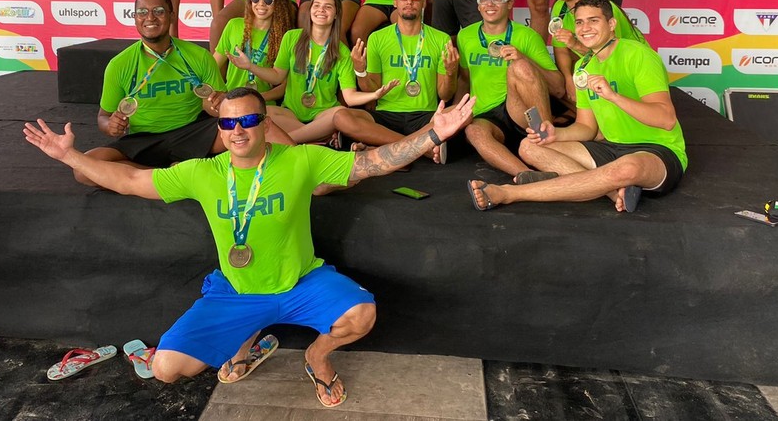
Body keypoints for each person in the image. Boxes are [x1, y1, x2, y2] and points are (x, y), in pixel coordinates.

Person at [25, 86, 477, 407]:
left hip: (301, 282)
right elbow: (128, 179)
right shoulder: (201, 171)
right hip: (236, 292)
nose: (237, 129)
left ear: (264, 123)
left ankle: (316, 359)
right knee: (165, 369)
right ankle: (250, 339)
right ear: (219, 128)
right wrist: (69, 156)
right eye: (228, 122)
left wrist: (432, 136)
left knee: (362, 315)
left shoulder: (300, 159)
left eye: (247, 120)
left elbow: (372, 164)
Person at [468, 0, 686, 214]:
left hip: (657, 150)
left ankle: (509, 194)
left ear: (611, 24)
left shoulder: (639, 55)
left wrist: (614, 96)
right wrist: (556, 134)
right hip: (611, 147)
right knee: (529, 147)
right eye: (580, 22)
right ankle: (612, 191)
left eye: (594, 21)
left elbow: (666, 120)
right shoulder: (584, 65)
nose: (585, 28)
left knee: (627, 167)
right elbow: (587, 128)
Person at [87, 0, 278, 177]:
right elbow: (103, 117)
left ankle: (303, 165)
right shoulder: (119, 64)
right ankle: (174, 174)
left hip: (193, 132)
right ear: (135, 18)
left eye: (159, 11)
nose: (150, 17)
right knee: (86, 167)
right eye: (142, 12)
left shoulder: (199, 56)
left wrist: (219, 104)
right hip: (143, 139)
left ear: (171, 16)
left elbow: (219, 109)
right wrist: (110, 125)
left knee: (256, 125)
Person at [243, 0, 396, 144]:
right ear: (310, 10)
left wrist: (375, 95)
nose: (321, 10)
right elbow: (277, 76)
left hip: (323, 116)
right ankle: (317, 138)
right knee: (263, 113)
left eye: (328, 6)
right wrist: (250, 66)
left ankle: (295, 139)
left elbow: (349, 98)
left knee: (340, 113)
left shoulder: (342, 52)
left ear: (336, 13)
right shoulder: (291, 37)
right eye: (316, 5)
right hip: (291, 114)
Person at [335, 0, 458, 161]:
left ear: (423, 2)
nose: (409, 1)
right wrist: (360, 71)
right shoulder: (377, 38)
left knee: (462, 112)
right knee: (340, 117)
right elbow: (371, 89)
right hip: (386, 117)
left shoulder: (441, 39)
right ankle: (419, 149)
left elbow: (445, 95)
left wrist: (450, 72)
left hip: (425, 117)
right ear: (395, 2)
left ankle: (380, 148)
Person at [457, 0, 564, 181]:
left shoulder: (526, 36)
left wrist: (523, 57)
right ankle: (528, 175)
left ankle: (549, 142)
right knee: (473, 132)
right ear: (478, 5)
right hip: (487, 116)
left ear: (510, 3)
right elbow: (464, 81)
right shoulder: (465, 36)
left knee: (521, 66)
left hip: (520, 111)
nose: (490, 4)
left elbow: (558, 88)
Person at [550, 0, 647, 108]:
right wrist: (569, 80)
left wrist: (575, 44)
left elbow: (612, 56)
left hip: (630, 64)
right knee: (558, 80)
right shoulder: (559, 6)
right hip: (597, 59)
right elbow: (560, 48)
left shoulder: (602, 7)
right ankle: (579, 115)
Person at [214, 0, 293, 102]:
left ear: (278, 3)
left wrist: (257, 99)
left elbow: (284, 86)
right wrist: (219, 93)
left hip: (263, 104)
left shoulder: (284, 36)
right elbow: (213, 66)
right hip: (231, 100)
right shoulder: (234, 25)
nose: (260, 4)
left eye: (268, 0)